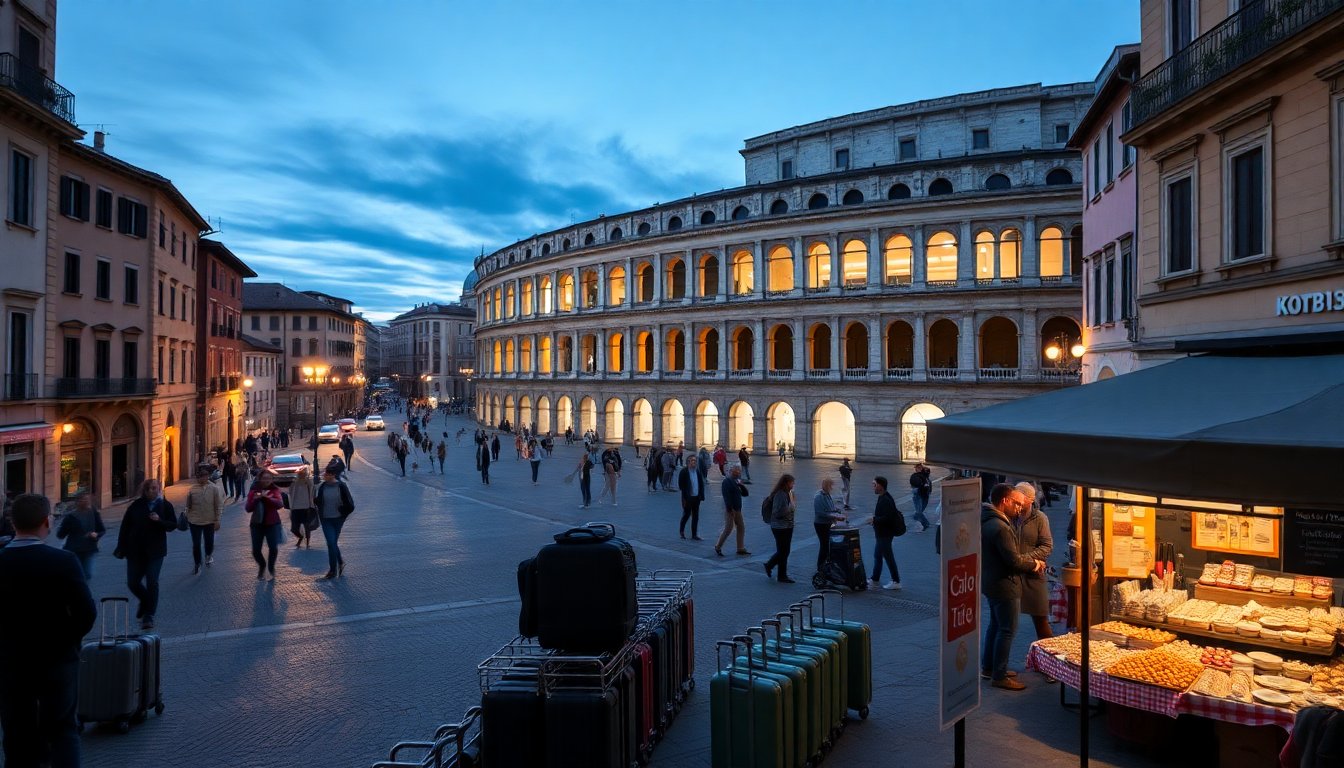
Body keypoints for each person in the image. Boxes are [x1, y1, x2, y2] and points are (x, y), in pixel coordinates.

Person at [0, 493, 96, 768]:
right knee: (63, 730)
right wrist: (68, 641)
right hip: (57, 660)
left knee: (17, 735)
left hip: (11, 664)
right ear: (46, 522)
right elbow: (86, 612)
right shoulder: (63, 561)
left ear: (13, 522)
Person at [981, 483, 1045, 690]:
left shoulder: (987, 520)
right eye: (1017, 504)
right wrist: (1034, 563)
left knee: (995, 625)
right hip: (1005, 583)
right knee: (1007, 629)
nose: (1019, 508)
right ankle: (999, 675)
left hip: (991, 581)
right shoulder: (1000, 527)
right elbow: (1013, 561)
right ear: (1005, 501)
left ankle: (989, 667)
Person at [117, 478, 179, 630]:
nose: (154, 490)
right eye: (150, 488)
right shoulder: (135, 506)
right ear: (145, 491)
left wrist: (159, 521)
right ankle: (145, 600)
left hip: (155, 552)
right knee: (133, 582)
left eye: (156, 488)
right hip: (135, 551)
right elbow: (125, 527)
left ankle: (149, 615)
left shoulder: (164, 505)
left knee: (152, 582)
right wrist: (121, 548)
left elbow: (172, 525)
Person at [1014, 481, 1055, 645]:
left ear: (1030, 500)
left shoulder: (1039, 518)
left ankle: (1049, 657)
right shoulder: (1010, 515)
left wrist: (1024, 558)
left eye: (1019, 498)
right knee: (1005, 622)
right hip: (1012, 575)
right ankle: (994, 664)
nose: (1015, 501)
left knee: (1040, 618)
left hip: (1033, 574)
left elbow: (1047, 546)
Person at [314, 467, 355, 579]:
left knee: (332, 543)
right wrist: (315, 500)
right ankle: (333, 570)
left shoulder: (341, 486)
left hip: (338, 519)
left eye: (326, 474)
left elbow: (350, 505)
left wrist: (342, 512)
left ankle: (340, 563)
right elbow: (319, 501)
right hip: (325, 519)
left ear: (332, 475)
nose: (324, 476)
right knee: (331, 543)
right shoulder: (322, 487)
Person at [245, 469, 285, 581]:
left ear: (272, 479)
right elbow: (248, 508)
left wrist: (268, 498)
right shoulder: (254, 490)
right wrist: (256, 499)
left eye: (269, 478)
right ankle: (262, 565)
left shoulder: (274, 490)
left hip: (272, 524)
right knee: (256, 551)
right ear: (260, 479)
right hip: (257, 524)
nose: (266, 480)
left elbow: (279, 504)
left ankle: (271, 568)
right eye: (264, 478)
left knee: (273, 548)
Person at [55, 491, 105, 580]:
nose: (86, 501)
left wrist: (96, 534)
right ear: (77, 502)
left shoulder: (93, 513)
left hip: (89, 549)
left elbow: (102, 529)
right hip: (74, 550)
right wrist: (65, 527)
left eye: (87, 499)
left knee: (87, 574)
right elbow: (61, 534)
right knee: (76, 574)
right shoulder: (71, 516)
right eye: (83, 499)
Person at [184, 466, 224, 574]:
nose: (202, 479)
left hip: (209, 520)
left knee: (209, 542)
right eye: (200, 477)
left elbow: (218, 505)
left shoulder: (214, 489)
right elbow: (188, 505)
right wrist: (186, 516)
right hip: (194, 521)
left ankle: (208, 555)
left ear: (207, 477)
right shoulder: (192, 489)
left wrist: (217, 520)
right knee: (196, 544)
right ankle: (197, 563)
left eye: (204, 477)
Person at [868, 476, 904, 590]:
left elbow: (888, 518)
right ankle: (875, 579)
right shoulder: (883, 497)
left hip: (885, 534)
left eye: (874, 484)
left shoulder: (886, 500)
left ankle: (896, 581)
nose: (873, 487)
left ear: (880, 486)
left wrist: (874, 520)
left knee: (888, 557)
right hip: (882, 534)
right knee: (878, 556)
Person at [763, 474, 797, 584]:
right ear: (786, 483)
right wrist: (789, 509)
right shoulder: (780, 494)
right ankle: (779, 573)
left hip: (787, 525)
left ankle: (773, 568)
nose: (793, 485)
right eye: (792, 482)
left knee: (784, 551)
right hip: (779, 526)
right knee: (783, 551)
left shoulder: (789, 493)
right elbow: (777, 512)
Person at [715, 464, 751, 557]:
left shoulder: (737, 481)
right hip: (730, 509)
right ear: (731, 472)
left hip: (738, 509)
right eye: (736, 471)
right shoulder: (727, 481)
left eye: (739, 471)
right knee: (728, 529)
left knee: (741, 527)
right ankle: (718, 546)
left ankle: (740, 548)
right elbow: (726, 496)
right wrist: (729, 509)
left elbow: (745, 494)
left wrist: (742, 485)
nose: (738, 472)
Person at [813, 478, 847, 574]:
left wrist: (837, 511)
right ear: (826, 485)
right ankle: (820, 567)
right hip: (821, 524)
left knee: (827, 545)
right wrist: (835, 516)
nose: (832, 488)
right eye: (830, 485)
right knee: (824, 546)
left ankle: (826, 565)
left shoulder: (827, 495)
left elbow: (830, 507)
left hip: (827, 523)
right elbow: (820, 513)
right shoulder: (819, 496)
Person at [677, 456, 706, 540]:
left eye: (695, 461)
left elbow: (701, 484)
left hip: (696, 498)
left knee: (695, 516)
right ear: (688, 462)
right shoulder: (684, 472)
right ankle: (682, 531)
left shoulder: (697, 471)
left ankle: (694, 534)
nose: (694, 463)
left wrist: (701, 496)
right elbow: (681, 485)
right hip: (688, 498)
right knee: (686, 515)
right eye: (692, 461)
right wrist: (685, 495)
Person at [288, 466, 318, 548]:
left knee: (307, 526)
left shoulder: (308, 482)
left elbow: (312, 488)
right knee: (294, 528)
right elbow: (289, 493)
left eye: (302, 474)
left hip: (306, 508)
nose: (301, 476)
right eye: (299, 474)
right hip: (295, 508)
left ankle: (307, 542)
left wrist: (307, 478)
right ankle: (300, 537)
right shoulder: (294, 483)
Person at [910, 463, 933, 531]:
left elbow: (927, 483)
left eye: (916, 468)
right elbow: (915, 483)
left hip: (923, 495)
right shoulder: (915, 476)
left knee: (919, 512)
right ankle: (925, 523)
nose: (915, 469)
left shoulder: (924, 475)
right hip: (919, 495)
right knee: (919, 512)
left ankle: (921, 520)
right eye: (916, 468)